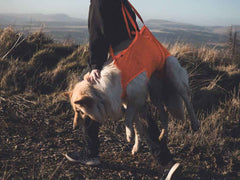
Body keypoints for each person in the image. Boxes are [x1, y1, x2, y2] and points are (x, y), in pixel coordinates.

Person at [66, 0, 181, 178]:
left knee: (87, 93)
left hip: (114, 62)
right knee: (140, 107)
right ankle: (166, 162)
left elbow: (97, 33)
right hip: (133, 61)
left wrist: (95, 64)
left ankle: (91, 154)